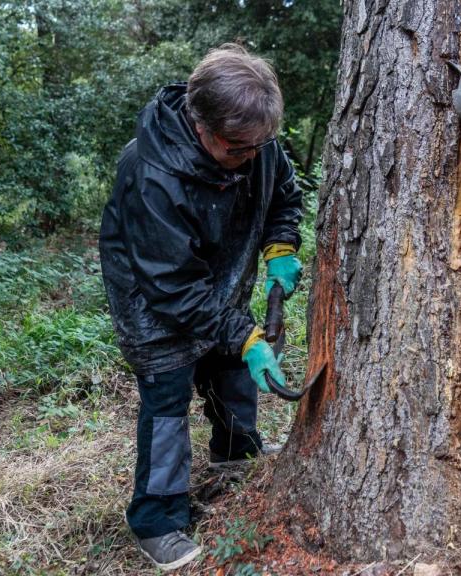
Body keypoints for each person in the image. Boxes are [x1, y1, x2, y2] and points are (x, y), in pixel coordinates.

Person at [98, 44, 303, 570]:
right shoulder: (151, 174)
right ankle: (157, 517)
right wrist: (243, 332)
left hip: (220, 280)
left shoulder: (254, 143)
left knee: (232, 368)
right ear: (200, 125)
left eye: (262, 144)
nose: (252, 156)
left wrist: (280, 246)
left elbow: (281, 193)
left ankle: (236, 452)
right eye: (239, 148)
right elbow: (170, 286)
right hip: (154, 300)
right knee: (167, 403)